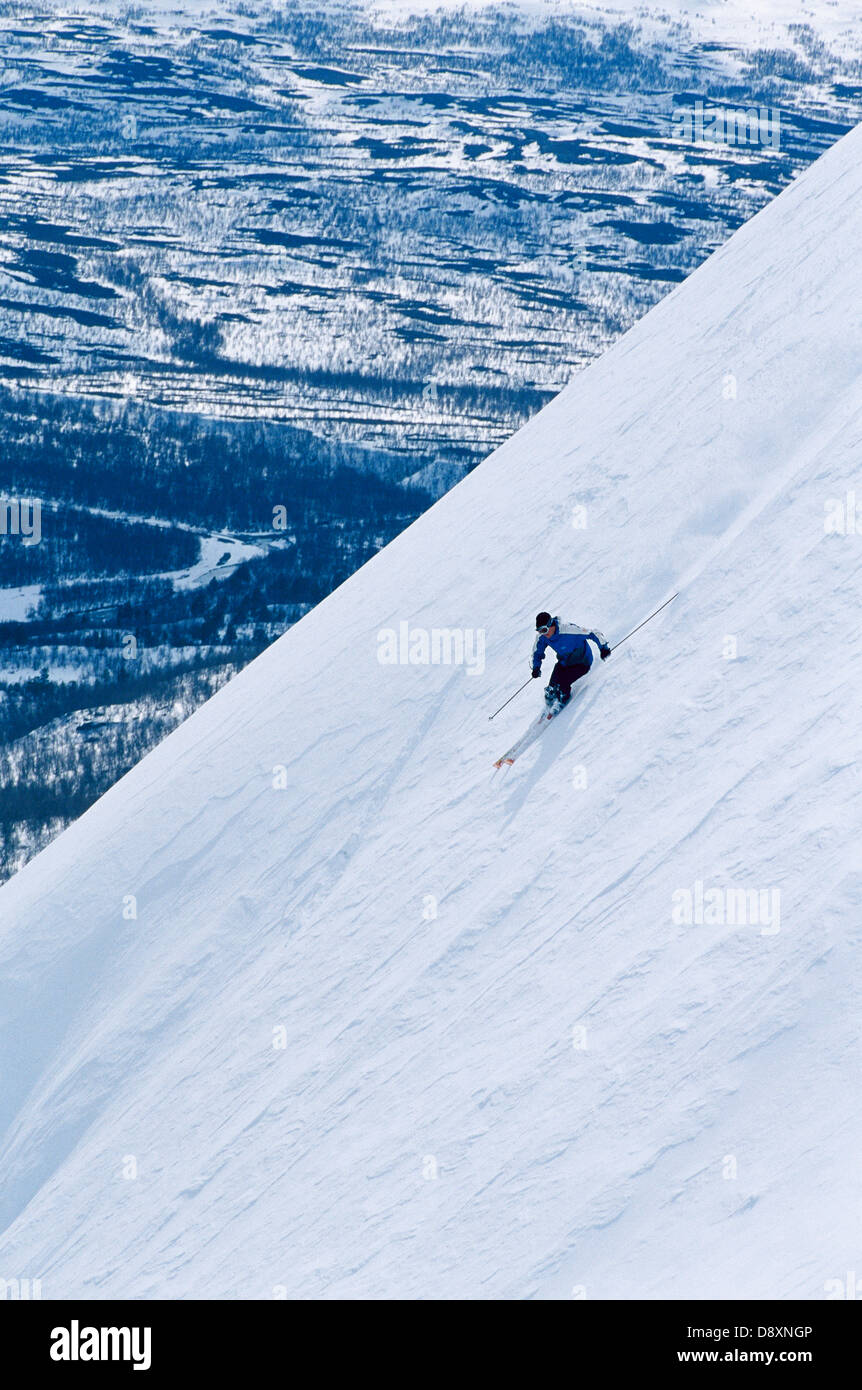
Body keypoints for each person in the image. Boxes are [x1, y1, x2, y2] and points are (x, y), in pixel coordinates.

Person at [530, 611, 610, 713]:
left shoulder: (568, 630)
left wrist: (604, 648)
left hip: (582, 662)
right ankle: (550, 703)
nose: (544, 634)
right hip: (564, 663)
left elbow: (593, 633)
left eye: (545, 630)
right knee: (551, 689)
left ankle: (562, 699)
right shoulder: (543, 637)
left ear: (551, 624)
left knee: (563, 684)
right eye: (540, 631)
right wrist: (536, 667)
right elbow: (537, 653)